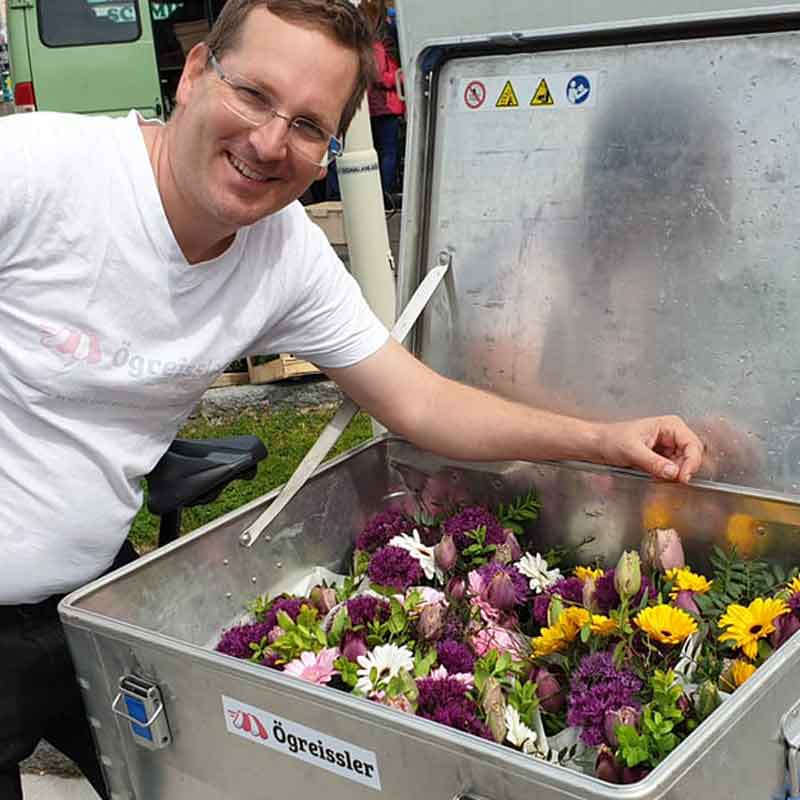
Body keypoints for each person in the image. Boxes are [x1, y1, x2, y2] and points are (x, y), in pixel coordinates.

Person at [0, 1, 704, 797]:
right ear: (195, 74)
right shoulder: (38, 170)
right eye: (253, 95)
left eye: (308, 125)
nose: (270, 142)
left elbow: (420, 403)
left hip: (87, 591)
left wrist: (605, 439)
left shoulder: (281, 254)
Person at [365, 0, 405, 199]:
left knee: (381, 152)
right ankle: (385, 194)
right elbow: (380, 75)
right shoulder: (379, 44)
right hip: (385, 106)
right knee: (388, 152)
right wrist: (399, 78)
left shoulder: (368, 43)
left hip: (374, 106)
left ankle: (380, 193)